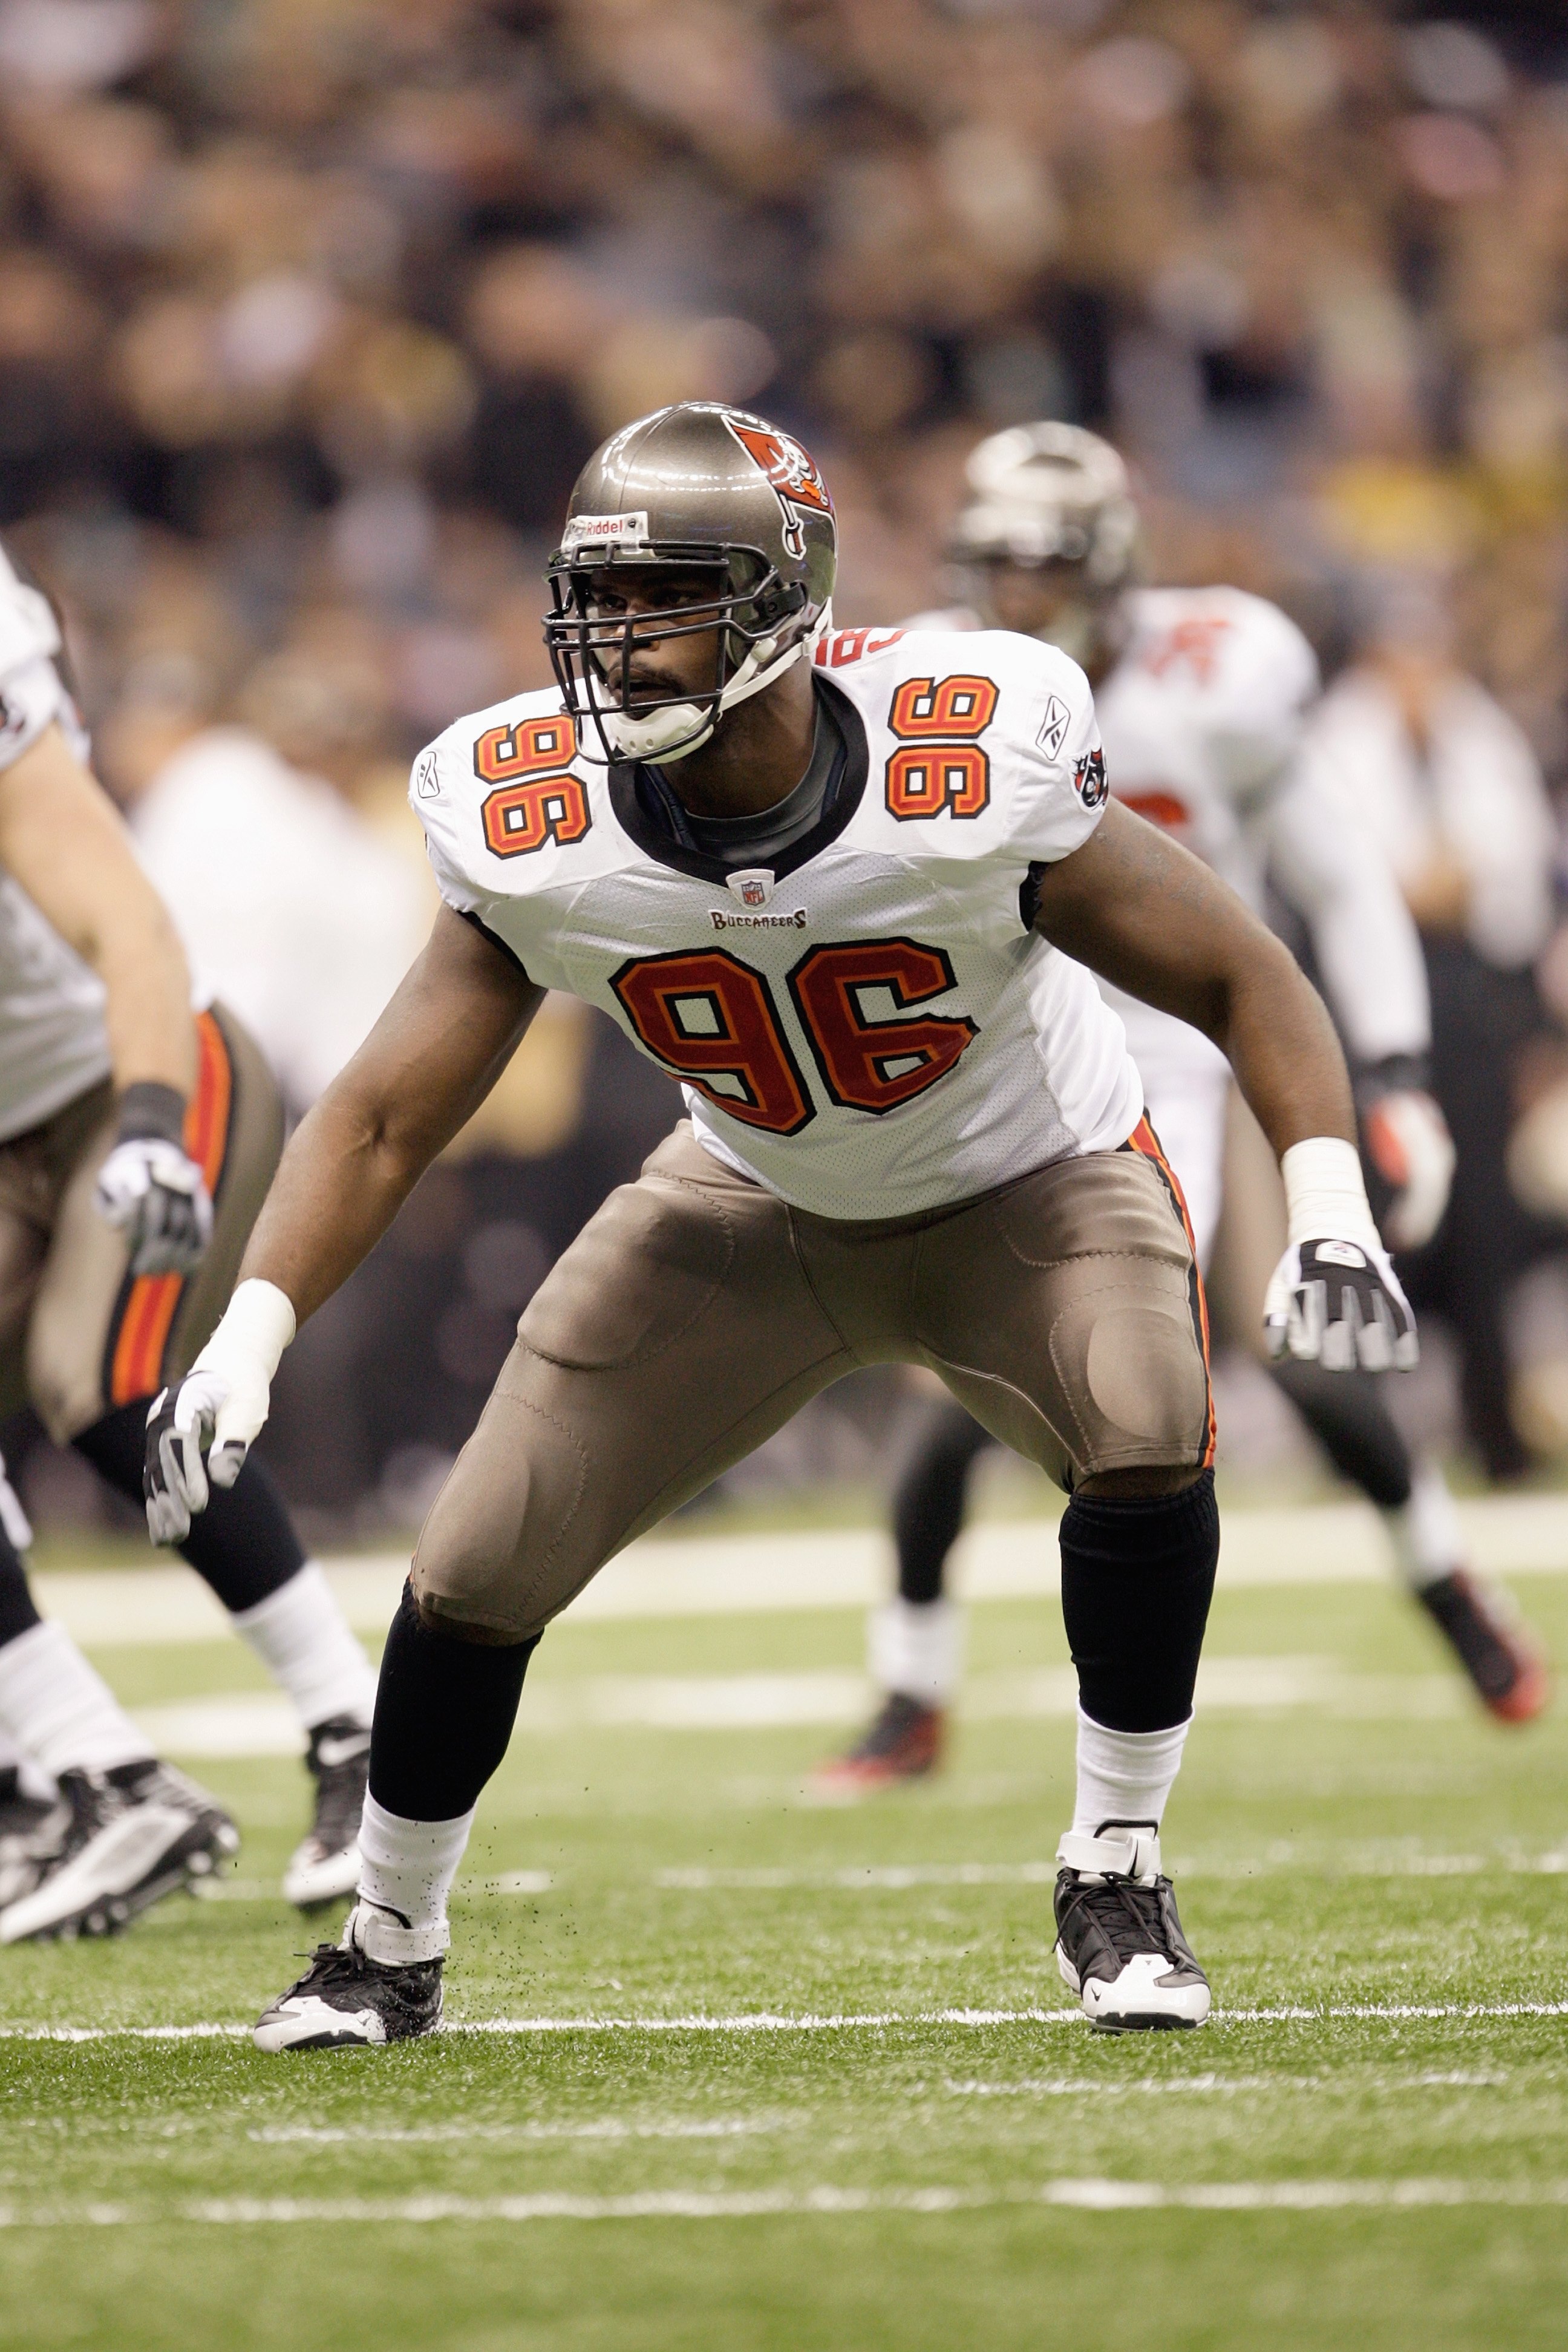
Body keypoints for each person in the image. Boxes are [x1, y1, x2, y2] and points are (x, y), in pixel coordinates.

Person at [146, 400, 1417, 2048]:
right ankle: (387, 1940)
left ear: (783, 604)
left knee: (1148, 1412)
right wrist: (254, 1327)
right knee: (471, 1562)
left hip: (1022, 1176)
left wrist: (1327, 1200)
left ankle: (1114, 1864)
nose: (615, 641)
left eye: (663, 597)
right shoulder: (535, 812)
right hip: (748, 1192)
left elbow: (1247, 971)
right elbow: (388, 1109)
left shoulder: (970, 752)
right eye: (598, 600)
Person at [819, 426, 1546, 1793]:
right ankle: (909, 1691)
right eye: (995, 564)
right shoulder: (924, 677)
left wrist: (1386, 1077)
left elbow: (1337, 881)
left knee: (1298, 1345)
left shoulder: (1218, 678)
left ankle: (1452, 1591)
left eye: (1044, 565)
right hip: (1019, 1034)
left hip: (1196, 1038)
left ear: (1111, 568)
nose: (1015, 596)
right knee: (962, 1372)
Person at [0, 540, 379, 1942]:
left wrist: (155, 1116)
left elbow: (132, 926)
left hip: (135, 1070)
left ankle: (356, 1722)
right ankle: (84, 1773)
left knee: (92, 1377)